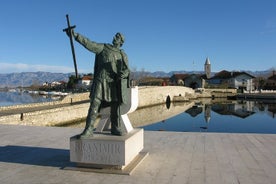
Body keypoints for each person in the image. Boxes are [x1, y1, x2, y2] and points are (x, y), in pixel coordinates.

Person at [66, 30, 130, 138]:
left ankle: (115, 127)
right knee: (94, 104)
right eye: (115, 35)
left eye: (118, 37)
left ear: (121, 42)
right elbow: (88, 43)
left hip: (113, 83)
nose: (115, 37)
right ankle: (89, 129)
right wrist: (75, 35)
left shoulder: (122, 54)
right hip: (101, 80)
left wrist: (125, 73)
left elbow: (127, 70)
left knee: (115, 106)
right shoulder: (103, 48)